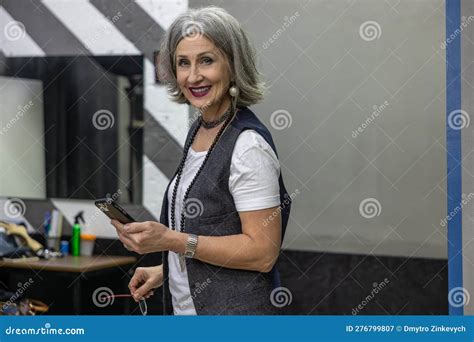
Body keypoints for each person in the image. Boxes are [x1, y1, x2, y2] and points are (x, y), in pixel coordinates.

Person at [111, 6, 291, 315]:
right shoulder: (200, 130)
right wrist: (165, 273)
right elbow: (213, 238)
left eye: (206, 60)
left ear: (233, 66)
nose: (193, 76)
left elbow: (261, 253)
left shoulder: (247, 146)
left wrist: (170, 240)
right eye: (183, 63)